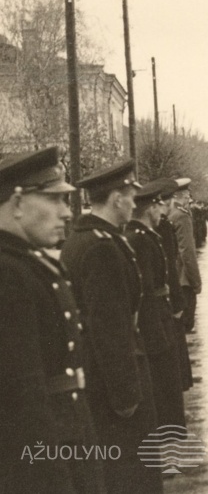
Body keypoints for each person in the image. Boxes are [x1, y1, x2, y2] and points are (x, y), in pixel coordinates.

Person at [0, 147, 105, 493]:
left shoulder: (28, 263)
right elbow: (21, 397)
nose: (66, 213)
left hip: (68, 441)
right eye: (55, 200)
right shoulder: (8, 273)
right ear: (17, 203)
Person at [60, 160, 163, 494]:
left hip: (98, 377)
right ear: (116, 198)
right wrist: (126, 397)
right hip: (113, 387)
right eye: (130, 196)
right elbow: (110, 328)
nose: (135, 204)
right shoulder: (101, 248)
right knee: (131, 472)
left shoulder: (88, 239)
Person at [125, 181, 186, 431]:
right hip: (155, 321)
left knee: (168, 383)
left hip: (162, 314)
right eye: (159, 205)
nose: (162, 210)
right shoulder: (139, 239)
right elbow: (146, 291)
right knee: (163, 384)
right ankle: (169, 440)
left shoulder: (148, 235)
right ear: (150, 208)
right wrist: (156, 332)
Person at [156, 179, 193, 392]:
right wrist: (194, 282)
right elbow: (183, 254)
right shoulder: (173, 221)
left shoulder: (169, 221)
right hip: (177, 285)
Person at [169, 178, 202, 332]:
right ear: (179, 196)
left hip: (173, 276)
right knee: (186, 325)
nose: (188, 200)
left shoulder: (171, 213)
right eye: (187, 197)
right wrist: (196, 281)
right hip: (184, 279)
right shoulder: (182, 216)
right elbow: (187, 252)